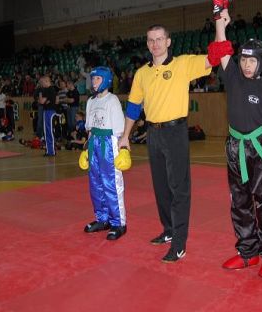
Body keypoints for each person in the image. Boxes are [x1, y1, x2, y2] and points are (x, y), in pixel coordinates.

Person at [210, 0, 262, 281]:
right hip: (235, 147)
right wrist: (219, 16)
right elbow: (221, 47)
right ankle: (248, 252)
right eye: (243, 59)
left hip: (260, 148)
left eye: (251, 60)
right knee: (240, 203)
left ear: (261, 62)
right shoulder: (232, 76)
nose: (246, 64)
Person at [118, 22, 213, 263]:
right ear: (147, 43)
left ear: (168, 42)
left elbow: (213, 57)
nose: (155, 44)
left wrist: (220, 25)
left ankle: (179, 244)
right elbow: (133, 106)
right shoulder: (142, 73)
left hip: (175, 132)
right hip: (153, 133)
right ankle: (169, 230)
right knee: (161, 187)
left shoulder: (183, 64)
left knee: (179, 188)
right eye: (151, 40)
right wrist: (125, 135)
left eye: (160, 39)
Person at [84, 66, 127, 240]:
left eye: (98, 79)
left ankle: (118, 223)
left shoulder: (112, 100)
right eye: (93, 79)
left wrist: (122, 150)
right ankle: (102, 219)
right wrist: (86, 149)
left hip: (109, 143)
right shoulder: (90, 101)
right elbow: (89, 128)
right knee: (95, 183)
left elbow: (119, 130)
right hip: (94, 142)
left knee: (111, 183)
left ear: (106, 80)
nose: (94, 82)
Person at [38, 76, 57, 157]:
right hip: (48, 111)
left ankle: (51, 151)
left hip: (49, 111)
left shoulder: (49, 90)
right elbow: (43, 102)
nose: (41, 84)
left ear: (46, 81)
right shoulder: (49, 90)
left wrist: (40, 94)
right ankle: (50, 150)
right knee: (47, 131)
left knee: (49, 131)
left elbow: (41, 101)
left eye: (42, 82)